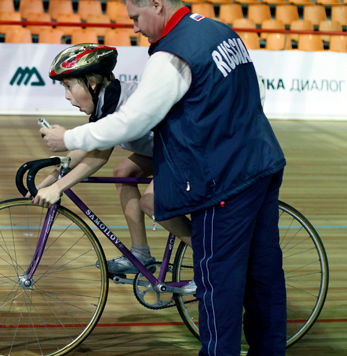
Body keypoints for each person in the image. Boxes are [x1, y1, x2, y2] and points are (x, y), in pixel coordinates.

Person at [40, 1, 287, 355]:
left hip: (222, 179)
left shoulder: (173, 53)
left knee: (218, 289)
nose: (136, 28)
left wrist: (68, 139)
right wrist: (56, 170)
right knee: (263, 279)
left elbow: (131, 124)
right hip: (260, 160)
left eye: (136, 18)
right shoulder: (219, 30)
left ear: (156, 4)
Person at [30, 43, 191, 275]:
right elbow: (87, 147)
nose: (66, 96)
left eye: (68, 86)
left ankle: (212, 260)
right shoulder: (105, 101)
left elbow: (98, 157)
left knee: (150, 202)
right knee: (123, 172)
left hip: (186, 152)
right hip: (165, 150)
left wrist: (58, 187)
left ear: (92, 83)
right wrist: (45, 181)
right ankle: (140, 255)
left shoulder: (117, 102)